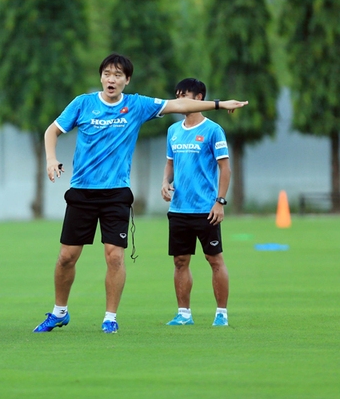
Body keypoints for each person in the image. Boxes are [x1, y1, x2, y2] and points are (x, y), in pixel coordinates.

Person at [33, 54, 246, 334]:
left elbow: (179, 104)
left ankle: (110, 318)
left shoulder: (136, 105)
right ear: (101, 77)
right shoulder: (82, 104)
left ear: (127, 80)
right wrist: (50, 159)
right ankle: (60, 311)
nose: (112, 79)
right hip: (82, 192)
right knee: (66, 257)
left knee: (115, 257)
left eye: (118, 75)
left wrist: (219, 105)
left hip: (116, 194)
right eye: (108, 73)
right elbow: (52, 131)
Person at [161, 78, 230, 327]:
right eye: (177, 95)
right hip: (179, 209)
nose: (179, 100)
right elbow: (170, 163)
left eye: (184, 95)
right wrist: (164, 182)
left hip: (206, 209)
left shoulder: (213, 130)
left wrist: (219, 201)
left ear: (199, 97)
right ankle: (184, 314)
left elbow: (225, 169)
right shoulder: (173, 131)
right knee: (180, 261)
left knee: (214, 259)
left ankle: (221, 314)